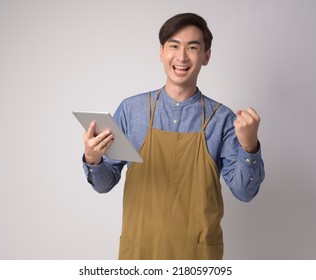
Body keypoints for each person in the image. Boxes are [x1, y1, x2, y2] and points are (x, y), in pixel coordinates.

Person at [81, 13, 265, 260]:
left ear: (206, 56)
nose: (181, 57)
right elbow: (104, 184)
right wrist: (93, 159)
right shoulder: (131, 110)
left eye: (192, 47)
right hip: (141, 255)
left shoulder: (222, 120)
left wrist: (249, 145)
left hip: (196, 259)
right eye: (174, 46)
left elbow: (245, 193)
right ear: (161, 52)